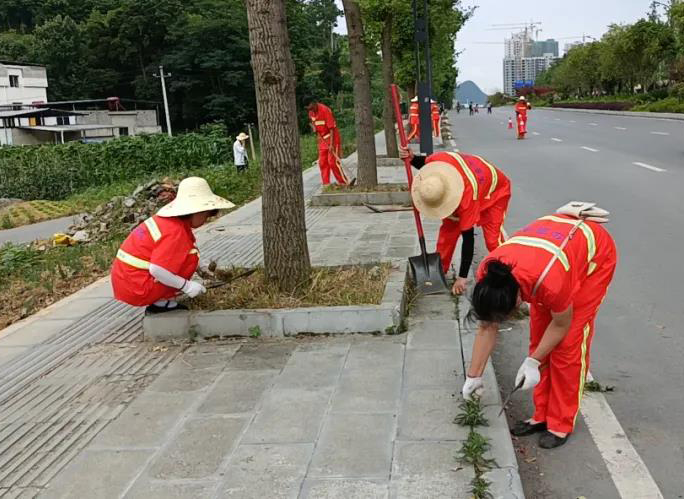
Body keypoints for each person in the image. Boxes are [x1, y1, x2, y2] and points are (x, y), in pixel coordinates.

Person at [462, 203, 617, 449]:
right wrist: (474, 376)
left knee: (567, 346)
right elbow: (486, 327)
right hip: (548, 256)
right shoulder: (488, 273)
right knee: (539, 338)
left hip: (593, 258)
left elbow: (561, 324)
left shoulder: (552, 282)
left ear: (517, 299)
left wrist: (532, 361)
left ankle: (560, 422)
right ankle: (541, 415)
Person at [111, 177, 235, 314]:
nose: (206, 220)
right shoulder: (176, 232)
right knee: (187, 260)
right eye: (206, 215)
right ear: (197, 211)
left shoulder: (169, 221)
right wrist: (187, 286)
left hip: (127, 279)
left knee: (183, 257)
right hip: (137, 287)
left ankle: (159, 301)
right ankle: (159, 304)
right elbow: (157, 269)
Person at [400, 145, 511, 294]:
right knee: (447, 232)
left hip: (496, 191)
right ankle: (439, 271)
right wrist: (412, 158)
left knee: (492, 240)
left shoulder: (466, 200)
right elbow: (423, 163)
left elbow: (468, 238)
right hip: (470, 183)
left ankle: (508, 272)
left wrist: (462, 277)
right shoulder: (437, 163)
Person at [306, 98, 349, 185]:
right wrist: (314, 127)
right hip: (322, 139)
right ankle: (326, 184)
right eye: (308, 109)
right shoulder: (311, 112)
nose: (310, 110)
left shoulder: (325, 110)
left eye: (311, 108)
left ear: (314, 103)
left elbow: (332, 129)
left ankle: (343, 182)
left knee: (332, 162)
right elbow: (312, 122)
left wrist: (331, 144)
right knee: (322, 162)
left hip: (332, 138)